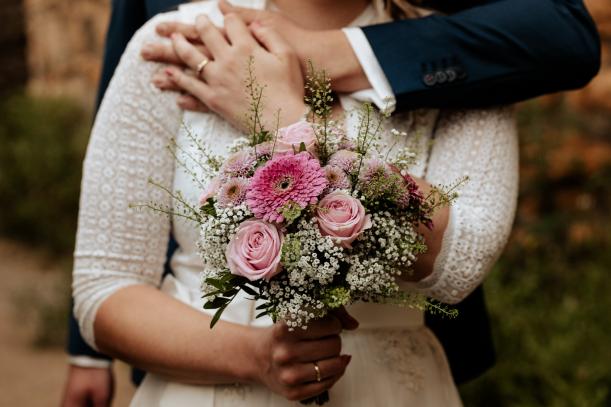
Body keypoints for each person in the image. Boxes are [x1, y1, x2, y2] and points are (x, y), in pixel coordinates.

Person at [62, 0, 600, 405]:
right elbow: (104, 287)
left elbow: (461, 260)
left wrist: (284, 118)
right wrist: (253, 357)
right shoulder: (181, 40)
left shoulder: (459, 56)